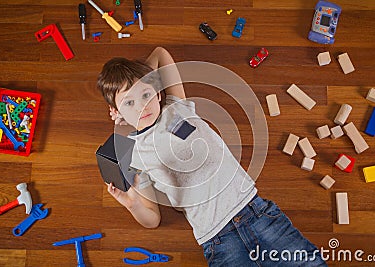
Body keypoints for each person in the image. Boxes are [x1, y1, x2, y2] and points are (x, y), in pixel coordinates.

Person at [96, 47, 327, 266]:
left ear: (157, 93)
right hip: (218, 239)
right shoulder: (134, 155)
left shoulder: (176, 106)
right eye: (129, 102)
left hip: (258, 213)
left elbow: (160, 54)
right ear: (116, 113)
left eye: (146, 94)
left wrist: (142, 77)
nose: (141, 106)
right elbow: (152, 219)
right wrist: (133, 204)